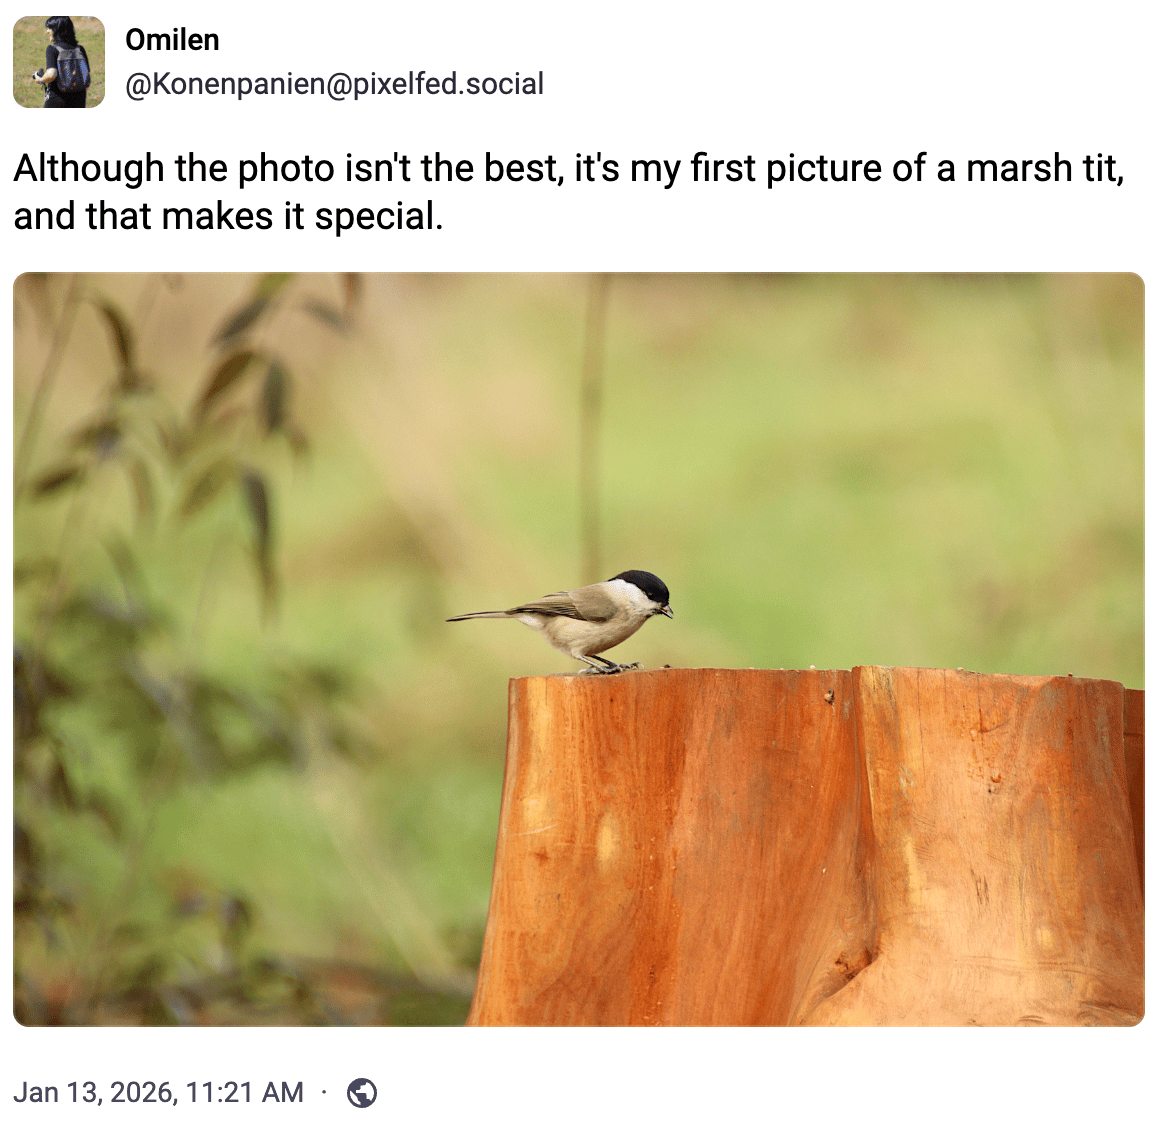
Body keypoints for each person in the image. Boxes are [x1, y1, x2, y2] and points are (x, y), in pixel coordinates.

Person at [34, 16, 89, 108]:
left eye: (50, 28)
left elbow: (51, 74)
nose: (47, 31)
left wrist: (40, 79)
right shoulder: (80, 49)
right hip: (79, 98)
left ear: (57, 30)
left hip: (57, 98)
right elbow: (86, 75)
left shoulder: (52, 48)